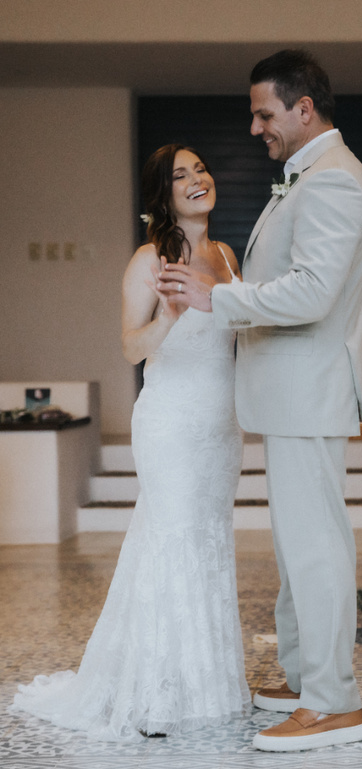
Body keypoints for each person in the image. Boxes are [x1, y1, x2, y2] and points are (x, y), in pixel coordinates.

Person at [159, 49, 362, 752]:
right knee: (297, 547)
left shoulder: (333, 180)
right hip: (290, 395)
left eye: (264, 114)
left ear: (303, 109)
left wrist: (218, 297)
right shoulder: (311, 176)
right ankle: (304, 676)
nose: (255, 128)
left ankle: (333, 703)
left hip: (307, 392)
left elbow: (312, 292)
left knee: (316, 549)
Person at [10, 144, 250, 740]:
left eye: (201, 169)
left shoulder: (226, 255)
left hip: (222, 425)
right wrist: (167, 319)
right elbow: (128, 347)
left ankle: (205, 687)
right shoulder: (150, 258)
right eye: (180, 175)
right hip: (171, 423)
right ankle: (155, 693)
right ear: (163, 194)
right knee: (171, 541)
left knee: (208, 542)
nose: (197, 180)